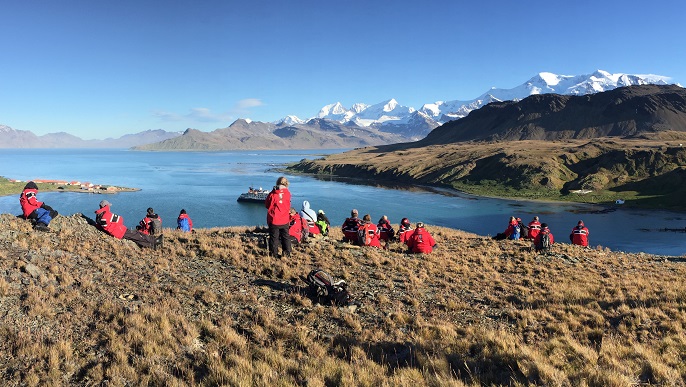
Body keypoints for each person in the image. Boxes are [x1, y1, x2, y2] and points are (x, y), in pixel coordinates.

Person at [95, 200, 162, 249]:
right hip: (121, 231)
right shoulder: (107, 214)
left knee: (136, 238)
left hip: (117, 233)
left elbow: (100, 226)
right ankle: (155, 241)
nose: (109, 207)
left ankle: (152, 246)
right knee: (138, 235)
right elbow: (121, 219)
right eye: (109, 206)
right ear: (106, 206)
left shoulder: (99, 216)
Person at [265, 176, 292, 257]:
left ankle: (274, 255)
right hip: (285, 219)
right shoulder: (288, 193)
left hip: (274, 219)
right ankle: (287, 253)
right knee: (286, 237)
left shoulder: (272, 194)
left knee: (274, 238)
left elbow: (267, 205)